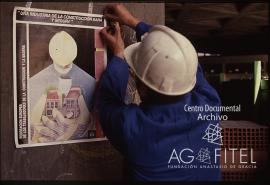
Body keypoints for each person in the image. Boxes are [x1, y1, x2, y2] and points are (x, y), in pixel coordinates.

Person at [97, 4, 222, 181]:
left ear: (143, 89)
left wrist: (118, 55)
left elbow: (106, 101)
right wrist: (134, 23)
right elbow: (185, 63)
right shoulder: (210, 105)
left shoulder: (132, 128)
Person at [29, 31, 95, 143]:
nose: (64, 66)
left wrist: (85, 127)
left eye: (67, 64)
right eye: (60, 64)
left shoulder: (89, 82)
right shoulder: (34, 82)